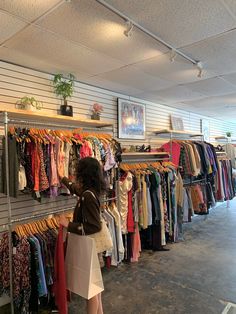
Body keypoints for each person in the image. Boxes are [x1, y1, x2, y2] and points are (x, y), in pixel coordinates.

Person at [59, 157, 106, 314]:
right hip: (91, 247)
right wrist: (63, 179)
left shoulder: (88, 196)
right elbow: (77, 190)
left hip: (89, 248)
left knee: (91, 290)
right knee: (95, 287)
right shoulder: (90, 191)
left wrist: (69, 225)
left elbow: (94, 226)